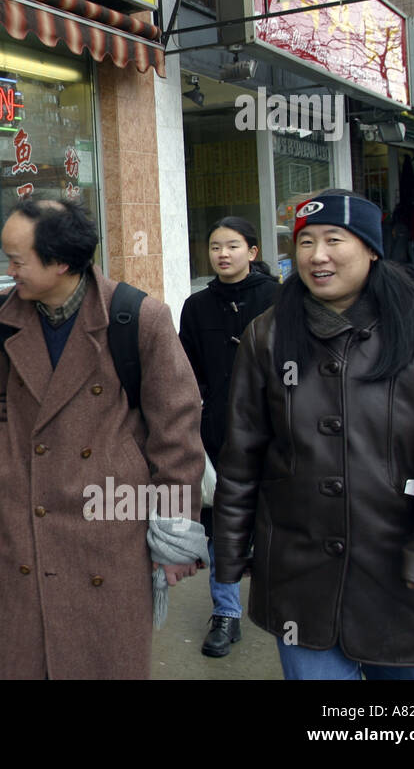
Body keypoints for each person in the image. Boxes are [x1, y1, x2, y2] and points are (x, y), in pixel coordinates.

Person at [214, 190, 414, 679]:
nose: (316, 255)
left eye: (333, 240)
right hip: (300, 576)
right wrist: (231, 551)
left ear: (370, 249)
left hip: (403, 575)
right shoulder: (268, 334)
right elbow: (243, 451)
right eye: (304, 242)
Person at [0, 197, 206, 679]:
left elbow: (176, 433)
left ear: (60, 263)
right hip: (23, 525)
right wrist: (6, 458)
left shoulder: (139, 318)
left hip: (109, 530)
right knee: (16, 659)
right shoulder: (1, 314)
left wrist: (176, 535)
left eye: (18, 260)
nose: (8, 270)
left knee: (99, 661)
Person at [178, 216, 279, 658]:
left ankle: (284, 605)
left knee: (277, 522)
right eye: (216, 246)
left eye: (233, 246)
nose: (223, 254)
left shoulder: (281, 299)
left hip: (277, 433)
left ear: (252, 252)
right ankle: (226, 614)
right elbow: (185, 370)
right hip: (217, 432)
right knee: (222, 526)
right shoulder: (196, 306)